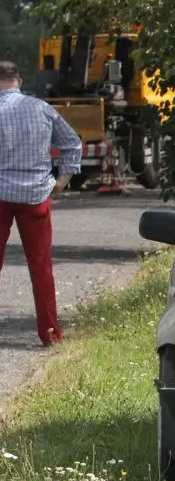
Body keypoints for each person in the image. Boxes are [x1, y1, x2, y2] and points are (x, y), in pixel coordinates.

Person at [0, 60, 83, 346]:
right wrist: (61, 181)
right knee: (41, 266)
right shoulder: (41, 108)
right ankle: (50, 334)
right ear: (19, 81)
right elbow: (73, 143)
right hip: (36, 196)